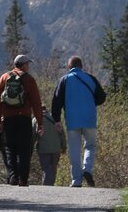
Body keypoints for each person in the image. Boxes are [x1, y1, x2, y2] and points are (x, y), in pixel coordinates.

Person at [52, 55, 106, 188]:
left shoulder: (64, 80)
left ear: (69, 67)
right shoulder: (90, 78)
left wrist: (57, 119)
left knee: (74, 150)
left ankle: (76, 180)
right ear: (81, 66)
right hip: (89, 118)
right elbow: (102, 97)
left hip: (72, 120)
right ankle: (87, 169)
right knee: (90, 146)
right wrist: (90, 103)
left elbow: (56, 101)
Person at [0, 54, 43, 186]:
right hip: (24, 118)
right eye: (28, 64)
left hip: (8, 119)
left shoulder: (4, 77)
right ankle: (23, 179)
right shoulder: (29, 79)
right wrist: (40, 122)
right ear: (23, 65)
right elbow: (36, 103)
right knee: (24, 149)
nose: (29, 66)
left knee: (10, 148)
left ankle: (13, 177)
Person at [34, 105, 66, 186]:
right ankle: (50, 185)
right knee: (53, 168)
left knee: (46, 168)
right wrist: (64, 147)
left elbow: (32, 136)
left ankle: (47, 187)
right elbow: (62, 134)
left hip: (43, 149)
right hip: (56, 148)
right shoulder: (55, 118)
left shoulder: (36, 120)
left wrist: (30, 149)